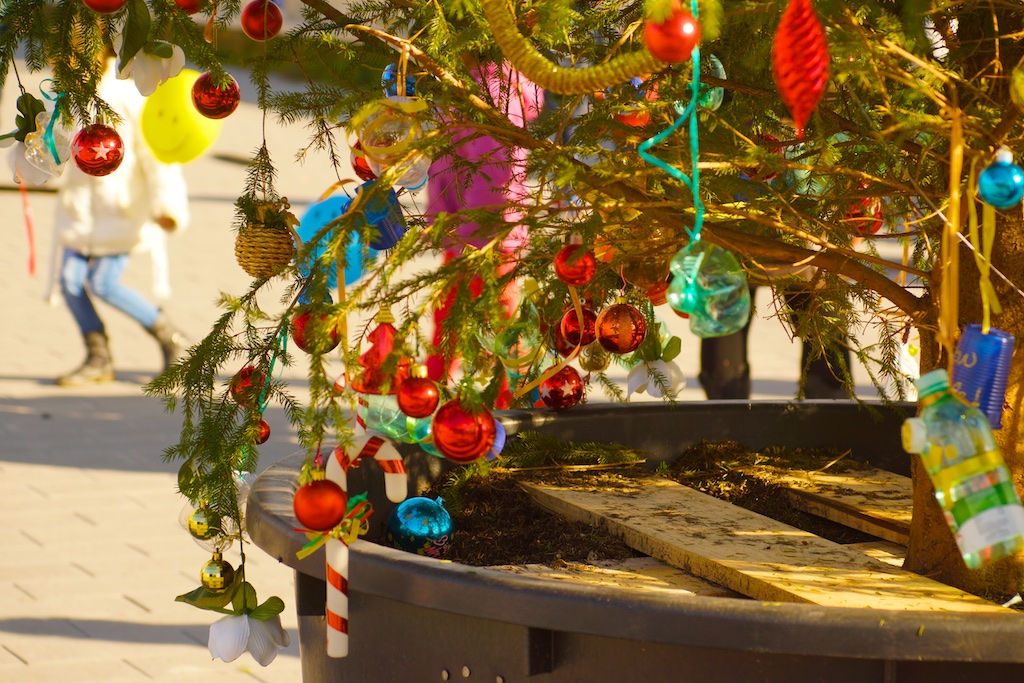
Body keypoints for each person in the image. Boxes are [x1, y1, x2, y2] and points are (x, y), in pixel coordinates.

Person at [48, 46, 190, 386]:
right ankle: (99, 358)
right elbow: (53, 145)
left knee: (103, 284)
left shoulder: (126, 92)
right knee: (69, 283)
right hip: (80, 212)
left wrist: (166, 205)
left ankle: (169, 336)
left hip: (121, 210)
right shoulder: (64, 96)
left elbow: (155, 154)